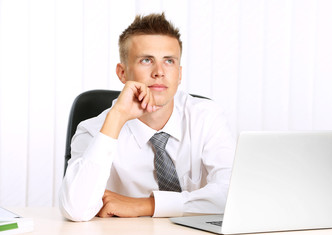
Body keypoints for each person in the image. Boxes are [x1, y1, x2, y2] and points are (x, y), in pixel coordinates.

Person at [59, 13, 236, 221]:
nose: (159, 72)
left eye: (168, 61)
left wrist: (147, 205)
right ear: (122, 72)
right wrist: (116, 117)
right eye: (146, 60)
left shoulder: (207, 117)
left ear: (179, 74)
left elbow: (235, 196)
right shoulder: (93, 129)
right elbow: (75, 209)